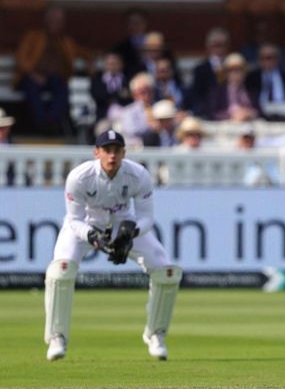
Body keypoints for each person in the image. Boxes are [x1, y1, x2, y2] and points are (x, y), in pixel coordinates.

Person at [43, 130, 182, 361]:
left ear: (124, 153)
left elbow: (147, 217)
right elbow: (74, 219)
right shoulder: (79, 177)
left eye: (117, 151)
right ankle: (57, 337)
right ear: (97, 152)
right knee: (61, 271)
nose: (112, 156)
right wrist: (92, 236)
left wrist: (131, 233)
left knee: (166, 270)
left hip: (123, 225)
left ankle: (155, 334)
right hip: (85, 226)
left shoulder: (138, 175)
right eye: (107, 150)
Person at [14, 6, 92, 135]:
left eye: (59, 21)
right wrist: (33, 74)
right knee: (32, 89)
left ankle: (50, 121)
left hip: (54, 79)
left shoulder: (65, 41)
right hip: (31, 76)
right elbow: (21, 59)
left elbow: (85, 53)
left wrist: (90, 61)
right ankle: (41, 123)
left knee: (63, 88)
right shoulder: (33, 36)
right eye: (53, 20)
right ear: (46, 20)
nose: (56, 23)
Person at [189, 27, 230, 117]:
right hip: (208, 114)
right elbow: (197, 96)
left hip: (231, 112)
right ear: (209, 47)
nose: (220, 49)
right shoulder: (200, 69)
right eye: (216, 45)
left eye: (223, 45)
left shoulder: (232, 66)